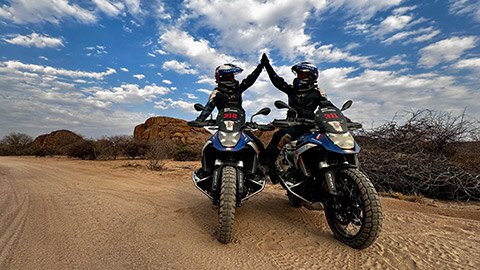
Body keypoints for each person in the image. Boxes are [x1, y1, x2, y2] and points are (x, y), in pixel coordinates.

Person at [259, 53, 334, 183]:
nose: (299, 77)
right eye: (298, 74)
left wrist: (343, 118)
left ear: (311, 76)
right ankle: (267, 166)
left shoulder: (317, 93)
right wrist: (267, 65)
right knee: (279, 136)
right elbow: (277, 80)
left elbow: (328, 107)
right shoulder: (292, 90)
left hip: (309, 126)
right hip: (292, 125)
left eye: (302, 74)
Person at [189, 61, 265, 179]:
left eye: (233, 75)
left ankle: (258, 169)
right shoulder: (216, 93)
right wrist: (200, 120)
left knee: (257, 143)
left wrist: (260, 67)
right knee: (209, 146)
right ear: (223, 77)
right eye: (231, 76)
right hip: (224, 126)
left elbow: (250, 79)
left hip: (239, 125)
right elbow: (208, 107)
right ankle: (206, 171)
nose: (233, 78)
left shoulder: (238, 89)